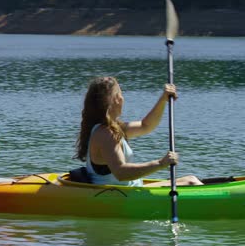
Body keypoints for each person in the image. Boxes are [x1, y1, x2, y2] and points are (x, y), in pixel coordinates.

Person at [74, 76, 202, 187]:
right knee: (192, 182)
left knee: (190, 179)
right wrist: (160, 163)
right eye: (120, 94)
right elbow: (121, 172)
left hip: (129, 188)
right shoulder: (106, 133)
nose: (123, 98)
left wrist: (163, 99)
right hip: (117, 194)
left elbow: (146, 125)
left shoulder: (114, 128)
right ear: (116, 100)